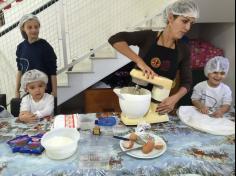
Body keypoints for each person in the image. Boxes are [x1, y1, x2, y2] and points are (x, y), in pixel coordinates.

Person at [108, 0, 199, 114]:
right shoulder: (148, 37)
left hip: (160, 105)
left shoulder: (183, 50)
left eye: (191, 23)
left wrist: (174, 99)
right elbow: (115, 39)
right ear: (170, 18)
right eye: (184, 21)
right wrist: (139, 61)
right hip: (135, 99)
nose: (187, 28)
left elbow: (187, 82)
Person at [15, 14, 57, 98]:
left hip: (45, 92)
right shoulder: (20, 47)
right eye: (29, 27)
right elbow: (20, 71)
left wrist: (54, 92)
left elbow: (53, 72)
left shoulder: (45, 47)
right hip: (29, 92)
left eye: (36, 27)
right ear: (23, 28)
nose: (34, 30)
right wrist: (16, 91)